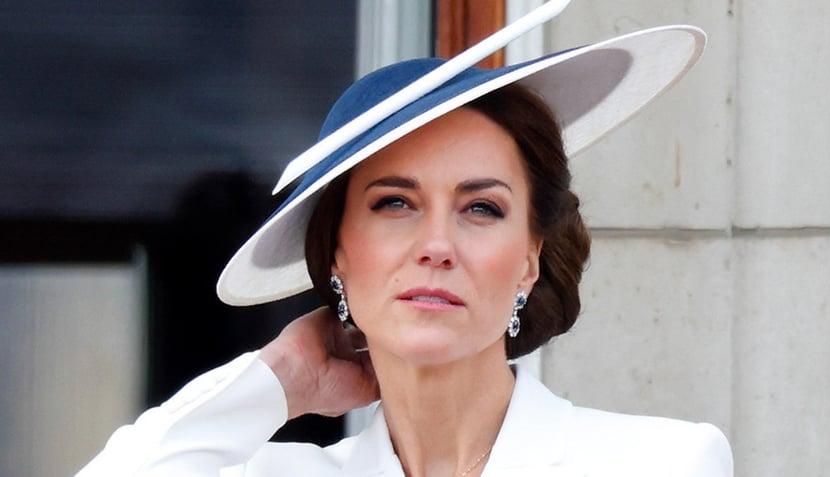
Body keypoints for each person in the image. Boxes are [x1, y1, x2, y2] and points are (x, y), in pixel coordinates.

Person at [78, 2, 733, 476]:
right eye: (395, 203)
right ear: (336, 250)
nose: (437, 243)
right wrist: (283, 377)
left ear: (530, 258)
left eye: (481, 207)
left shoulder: (660, 462)